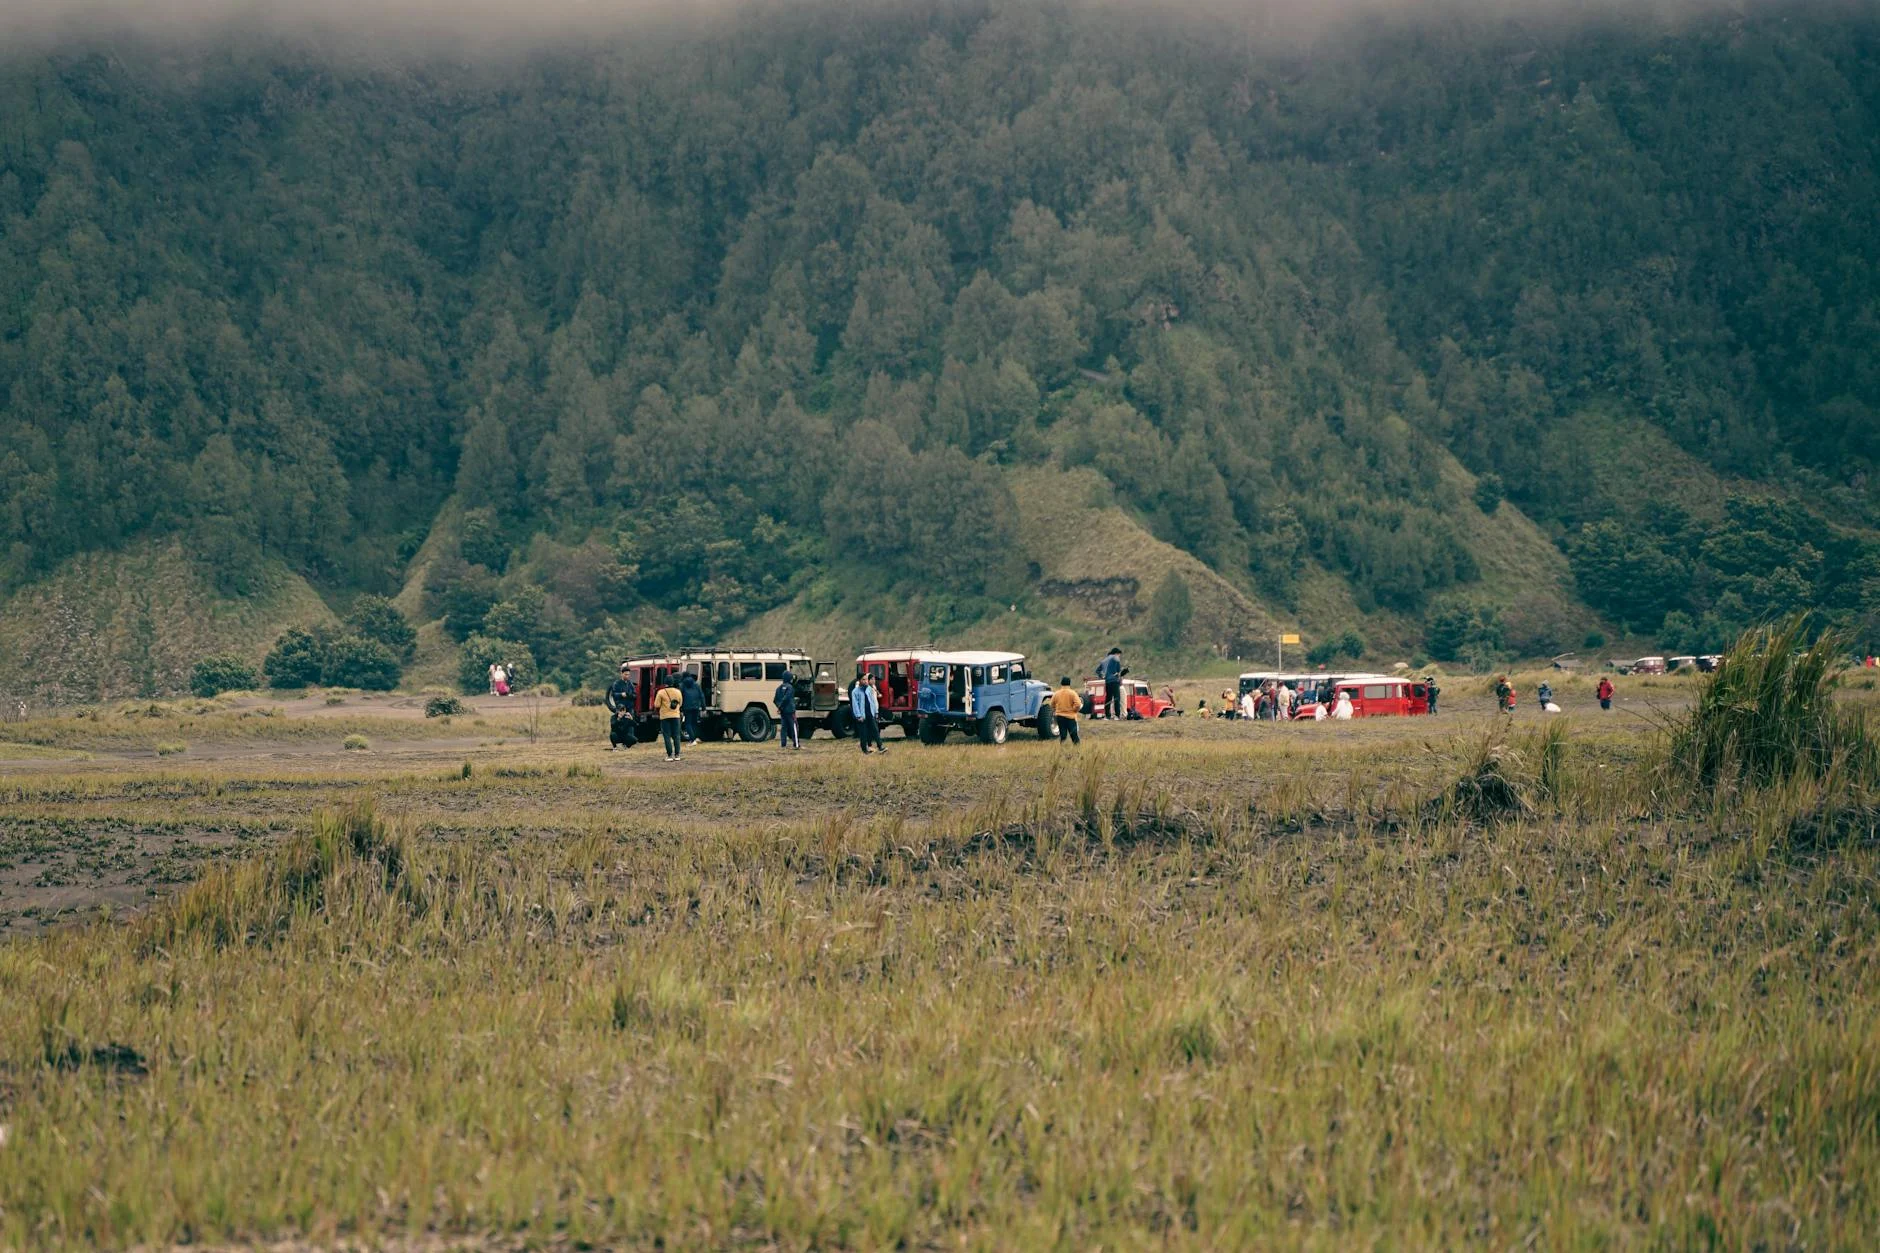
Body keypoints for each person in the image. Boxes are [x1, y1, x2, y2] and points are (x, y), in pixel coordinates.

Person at [851, 674, 886, 754]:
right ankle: (865, 750)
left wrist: (875, 712)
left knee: (875, 730)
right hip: (862, 716)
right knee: (863, 733)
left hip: (870, 714)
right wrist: (858, 716)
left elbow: (873, 701)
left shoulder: (869, 689)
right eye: (863, 679)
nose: (865, 681)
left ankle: (880, 746)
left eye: (866, 679)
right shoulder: (855, 692)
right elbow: (855, 705)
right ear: (859, 681)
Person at [605, 663, 638, 749]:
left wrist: (629, 695)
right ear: (622, 674)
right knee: (617, 725)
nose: (627, 676)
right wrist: (621, 694)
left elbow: (635, 695)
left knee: (630, 726)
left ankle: (628, 743)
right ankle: (616, 743)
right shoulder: (617, 684)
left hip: (629, 708)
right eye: (625, 674)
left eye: (628, 674)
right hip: (620, 708)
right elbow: (614, 695)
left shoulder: (630, 684)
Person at [654, 674, 684, 761]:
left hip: (665, 717)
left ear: (665, 683)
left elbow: (657, 704)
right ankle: (677, 755)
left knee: (667, 736)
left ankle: (670, 755)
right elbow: (680, 703)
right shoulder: (678, 692)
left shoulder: (661, 692)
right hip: (676, 716)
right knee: (676, 735)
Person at [1051, 676, 1083, 746]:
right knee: (1074, 735)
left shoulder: (1056, 693)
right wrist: (1074, 710)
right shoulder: (1072, 693)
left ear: (1061, 683)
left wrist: (1056, 710)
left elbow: (1052, 704)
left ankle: (1062, 748)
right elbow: (1078, 704)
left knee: (1063, 735)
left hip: (1059, 717)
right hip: (1070, 718)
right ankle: (1077, 749)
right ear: (1069, 684)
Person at [774, 670, 801, 751]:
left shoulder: (779, 688)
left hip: (783, 712)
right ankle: (796, 745)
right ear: (789, 678)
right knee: (794, 727)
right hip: (790, 711)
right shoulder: (790, 687)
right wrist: (783, 705)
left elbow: (775, 700)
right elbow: (787, 698)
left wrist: (779, 707)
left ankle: (783, 745)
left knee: (784, 728)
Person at [1097, 648, 1125, 720]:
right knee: (1116, 698)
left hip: (1107, 682)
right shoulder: (1115, 658)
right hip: (1115, 681)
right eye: (1119, 654)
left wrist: (1102, 676)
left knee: (1108, 698)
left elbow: (1097, 670)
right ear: (1116, 653)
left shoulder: (1104, 660)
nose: (1119, 656)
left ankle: (1107, 716)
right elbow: (1118, 671)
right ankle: (1117, 716)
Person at [679, 671, 704, 743]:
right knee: (694, 723)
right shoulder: (696, 685)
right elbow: (701, 696)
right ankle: (695, 737)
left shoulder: (682, 685)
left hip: (687, 707)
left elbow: (680, 696)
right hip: (696, 706)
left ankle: (692, 739)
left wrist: (680, 708)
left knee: (688, 723)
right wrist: (703, 707)